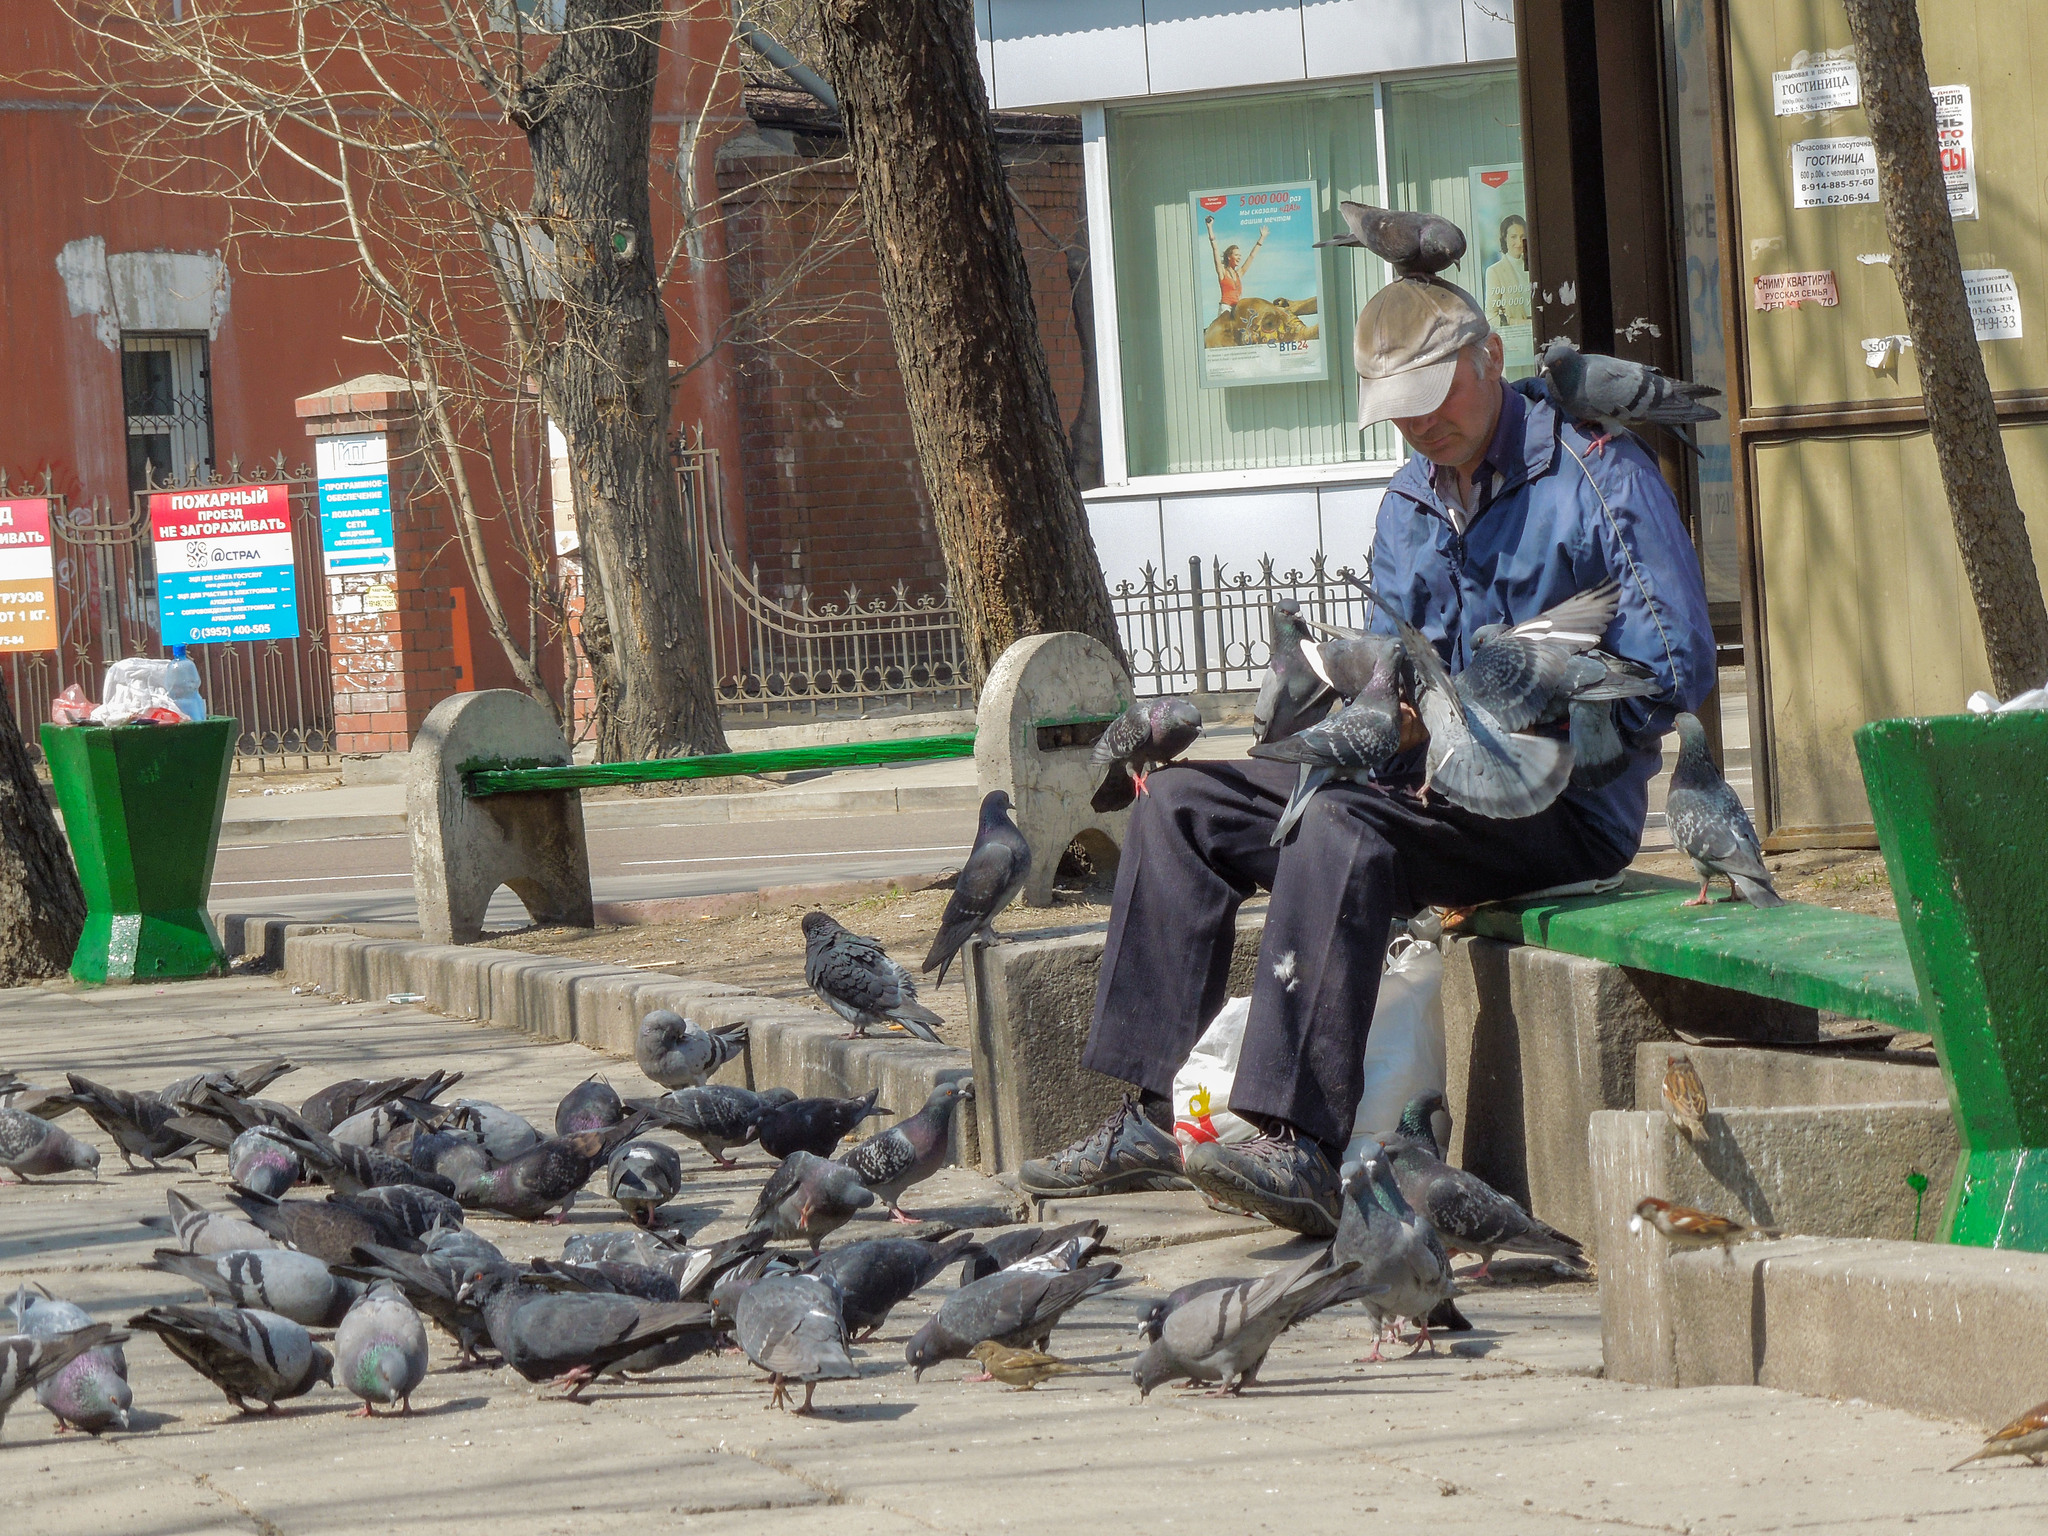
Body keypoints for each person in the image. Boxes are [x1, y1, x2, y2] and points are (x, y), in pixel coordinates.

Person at [1018, 274, 1716, 1237]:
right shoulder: (1407, 501)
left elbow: (1673, 669)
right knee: (1183, 805)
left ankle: (1294, 1140)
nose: (1420, 426)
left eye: (1437, 398)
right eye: (1399, 411)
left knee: (1339, 824)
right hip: (1422, 783)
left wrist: (1507, 706)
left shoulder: (1602, 473)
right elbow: (1397, 662)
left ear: (1491, 361)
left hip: (1560, 804)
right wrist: (1377, 703)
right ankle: (1150, 1114)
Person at [1207, 215, 1268, 315]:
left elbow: (1251, 256)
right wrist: (1209, 227)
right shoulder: (1223, 271)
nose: (1239, 257)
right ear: (1229, 257)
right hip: (1225, 309)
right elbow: (1215, 249)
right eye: (1236, 255)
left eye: (1240, 255)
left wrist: (1262, 238)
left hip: (1237, 309)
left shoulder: (1238, 273)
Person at [1484, 215, 1531, 329]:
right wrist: (1524, 324)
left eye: (1522, 236)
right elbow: (1491, 317)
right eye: (1513, 237)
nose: (1519, 242)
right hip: (1516, 337)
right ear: (1505, 238)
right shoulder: (1494, 271)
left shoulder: (1535, 266)